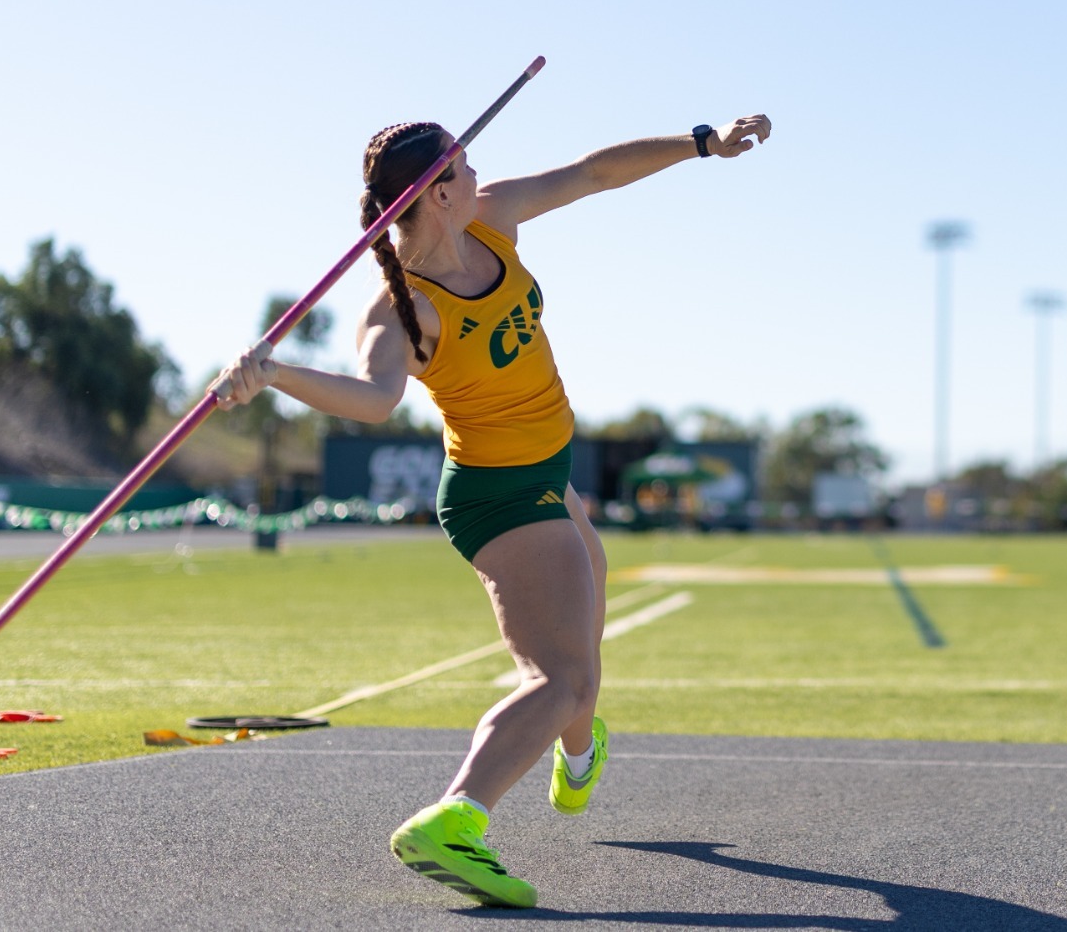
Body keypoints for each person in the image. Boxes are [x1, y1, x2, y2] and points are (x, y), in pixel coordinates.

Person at [210, 113, 772, 908]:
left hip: (547, 470)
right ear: (436, 192)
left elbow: (592, 173)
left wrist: (700, 143)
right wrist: (273, 373)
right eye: (465, 167)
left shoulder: (493, 217)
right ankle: (455, 818)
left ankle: (579, 754)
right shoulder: (404, 307)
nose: (479, 174)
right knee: (564, 675)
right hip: (501, 493)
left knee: (592, 595)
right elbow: (373, 399)